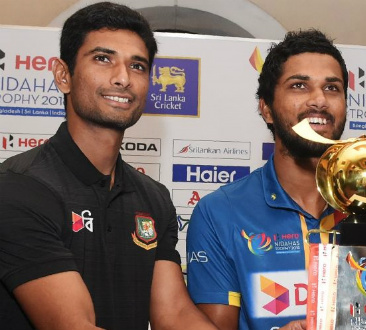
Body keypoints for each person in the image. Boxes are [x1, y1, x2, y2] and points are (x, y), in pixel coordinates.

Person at [0, 3, 263, 330]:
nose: (123, 78)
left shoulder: (153, 198)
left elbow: (174, 314)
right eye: (102, 59)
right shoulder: (17, 188)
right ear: (63, 75)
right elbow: (73, 325)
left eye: (137, 66)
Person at [186, 29, 366, 330]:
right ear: (266, 108)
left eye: (332, 88)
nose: (319, 100)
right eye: (299, 86)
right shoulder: (220, 212)